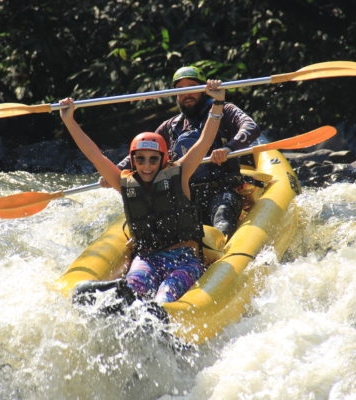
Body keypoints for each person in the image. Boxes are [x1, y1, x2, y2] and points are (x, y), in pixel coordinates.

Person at [59, 80, 225, 306]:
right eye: (140, 159)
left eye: (153, 159)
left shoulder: (180, 174)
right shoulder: (124, 182)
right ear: (133, 160)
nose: (147, 166)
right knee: (134, 287)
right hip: (147, 258)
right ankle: (114, 297)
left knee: (164, 296)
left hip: (184, 260)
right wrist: (69, 122)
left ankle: (156, 310)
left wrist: (217, 103)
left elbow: (204, 142)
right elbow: (95, 155)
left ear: (163, 160)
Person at [109, 66, 263, 238]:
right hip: (184, 194)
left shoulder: (224, 110)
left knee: (223, 220)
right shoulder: (171, 126)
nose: (187, 94)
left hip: (222, 189)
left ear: (203, 90)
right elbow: (142, 150)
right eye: (181, 90)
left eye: (192, 87)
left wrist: (229, 148)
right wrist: (114, 171)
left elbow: (251, 127)